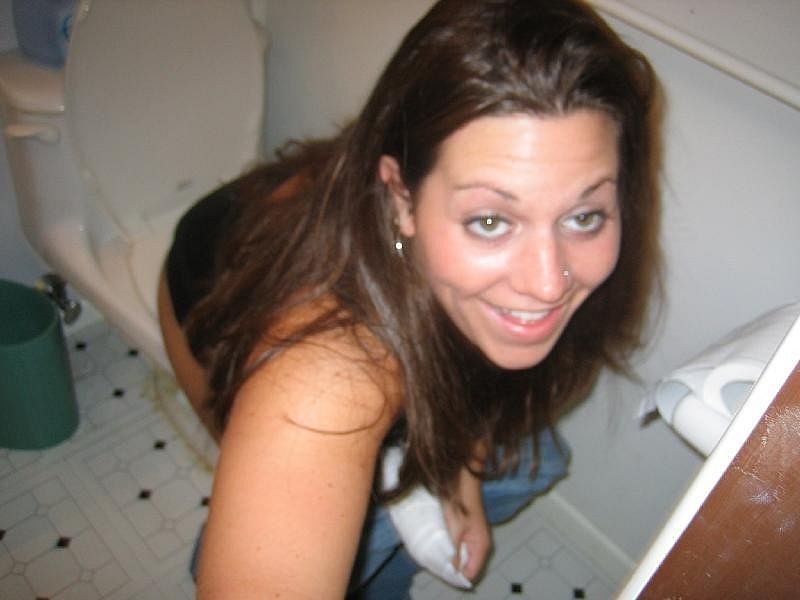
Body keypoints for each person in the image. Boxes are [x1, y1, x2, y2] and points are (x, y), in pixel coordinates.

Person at [157, 0, 660, 597]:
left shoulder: (458, 247)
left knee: (535, 459)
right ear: (401, 199)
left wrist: (463, 482)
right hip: (212, 293)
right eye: (491, 221)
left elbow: (481, 384)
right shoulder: (324, 379)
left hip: (309, 222)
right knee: (341, 527)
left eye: (584, 216)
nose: (549, 284)